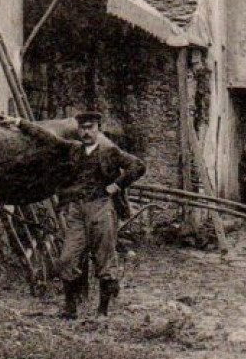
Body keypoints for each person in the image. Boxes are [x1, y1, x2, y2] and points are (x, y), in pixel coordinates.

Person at [13, 110, 146, 318]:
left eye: (90, 127)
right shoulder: (74, 150)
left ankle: (102, 312)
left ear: (98, 129)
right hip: (76, 210)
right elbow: (49, 139)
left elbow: (138, 166)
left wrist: (116, 186)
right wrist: (21, 122)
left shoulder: (109, 151)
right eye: (82, 128)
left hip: (101, 208)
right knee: (67, 258)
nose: (86, 132)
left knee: (104, 258)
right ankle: (70, 309)